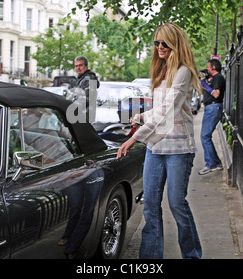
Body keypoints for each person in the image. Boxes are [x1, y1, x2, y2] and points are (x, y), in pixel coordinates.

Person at [117, 22, 203, 259]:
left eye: (165, 42)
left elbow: (169, 109)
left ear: (175, 43)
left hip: (178, 148)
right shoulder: (160, 72)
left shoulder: (183, 71)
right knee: (151, 207)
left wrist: (135, 137)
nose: (160, 47)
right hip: (155, 147)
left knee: (177, 204)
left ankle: (192, 255)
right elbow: (159, 109)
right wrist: (141, 116)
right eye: (157, 43)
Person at [198, 58, 226, 175]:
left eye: (208, 67)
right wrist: (202, 82)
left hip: (213, 108)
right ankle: (216, 163)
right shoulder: (212, 79)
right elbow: (203, 92)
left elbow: (216, 94)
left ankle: (210, 164)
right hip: (210, 108)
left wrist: (204, 82)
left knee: (205, 137)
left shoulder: (218, 77)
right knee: (206, 137)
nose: (207, 69)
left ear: (213, 67)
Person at [73, 56, 99, 123]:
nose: (78, 68)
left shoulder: (89, 79)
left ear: (86, 66)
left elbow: (86, 99)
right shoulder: (81, 79)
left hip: (84, 118)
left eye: (80, 65)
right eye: (76, 66)